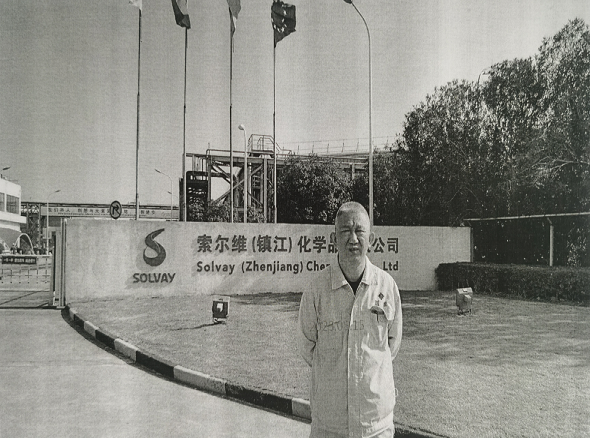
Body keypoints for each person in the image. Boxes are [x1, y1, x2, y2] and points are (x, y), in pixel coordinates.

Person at [298, 201, 403, 438]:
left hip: (375, 425)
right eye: (345, 231)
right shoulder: (317, 290)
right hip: (330, 425)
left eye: (359, 231)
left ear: (371, 238)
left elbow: (392, 344)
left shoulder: (386, 286)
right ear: (334, 238)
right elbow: (306, 346)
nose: (353, 239)